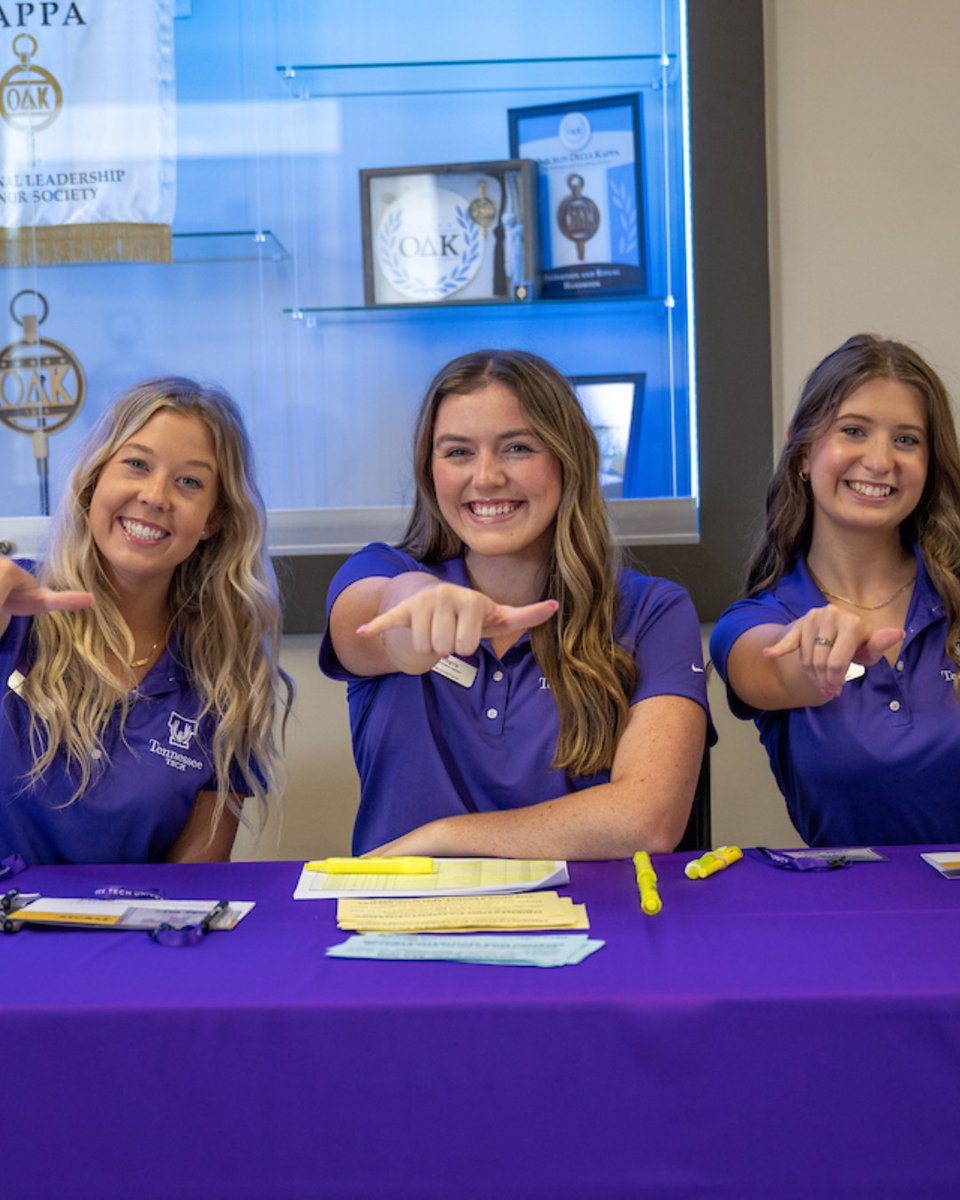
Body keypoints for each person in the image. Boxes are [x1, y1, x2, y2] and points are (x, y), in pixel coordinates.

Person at [320, 349, 710, 859]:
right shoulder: (379, 574)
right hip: (402, 924)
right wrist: (420, 611)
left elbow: (648, 820)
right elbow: (380, 623)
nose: (486, 477)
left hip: (591, 926)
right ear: (429, 470)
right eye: (458, 452)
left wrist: (444, 837)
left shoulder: (653, 611)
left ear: (568, 460)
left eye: (518, 448)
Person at [0, 377, 292, 865]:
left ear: (213, 521)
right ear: (94, 482)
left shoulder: (227, 669)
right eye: (136, 464)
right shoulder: (15, 607)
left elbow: (192, 881)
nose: (156, 496)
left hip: (127, 938)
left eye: (190, 482)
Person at [710, 333, 960, 846]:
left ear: (929, 465)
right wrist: (815, 653)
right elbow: (775, 669)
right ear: (803, 454)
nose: (880, 460)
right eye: (853, 431)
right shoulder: (757, 621)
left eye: (906, 439)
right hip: (854, 915)